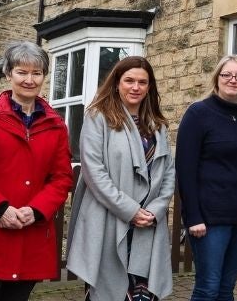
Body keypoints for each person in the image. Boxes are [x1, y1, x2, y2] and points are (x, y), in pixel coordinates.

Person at [0, 41, 73, 301]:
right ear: (8, 74)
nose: (29, 80)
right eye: (22, 72)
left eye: (36, 73)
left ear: (44, 76)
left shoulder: (56, 125)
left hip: (30, 233)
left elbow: (62, 177)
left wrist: (36, 210)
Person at [66, 56, 174, 301]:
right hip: (109, 219)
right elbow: (95, 173)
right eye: (129, 80)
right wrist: (130, 210)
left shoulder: (157, 125)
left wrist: (156, 210)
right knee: (108, 292)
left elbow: (168, 172)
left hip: (148, 223)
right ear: (116, 83)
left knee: (143, 293)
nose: (136, 87)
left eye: (142, 82)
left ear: (149, 87)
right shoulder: (98, 118)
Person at [176, 56, 237, 300]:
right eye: (227, 75)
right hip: (209, 220)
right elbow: (185, 169)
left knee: (226, 287)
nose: (233, 80)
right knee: (208, 287)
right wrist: (192, 217)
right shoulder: (198, 114)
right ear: (217, 79)